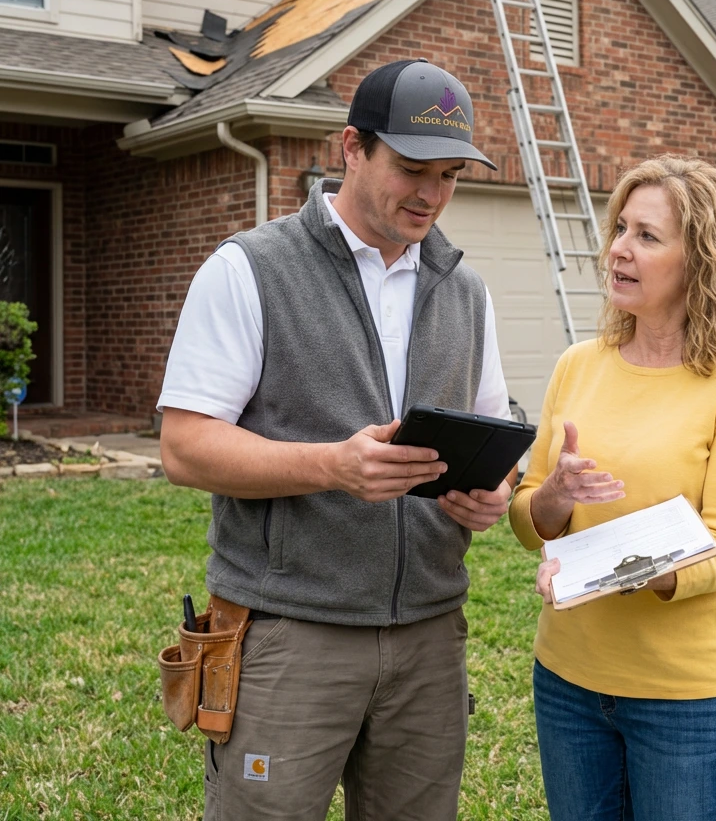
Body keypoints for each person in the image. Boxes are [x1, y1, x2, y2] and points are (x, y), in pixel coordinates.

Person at [159, 58, 516, 821]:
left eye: (450, 174)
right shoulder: (249, 270)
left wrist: (493, 496)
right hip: (290, 633)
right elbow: (185, 447)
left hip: (429, 633)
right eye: (412, 168)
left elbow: (494, 439)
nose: (432, 195)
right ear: (352, 147)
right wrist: (333, 465)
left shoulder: (467, 291)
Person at [509, 155, 716, 821]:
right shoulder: (579, 364)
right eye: (620, 228)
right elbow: (529, 519)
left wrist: (616, 567)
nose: (617, 251)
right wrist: (556, 499)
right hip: (568, 683)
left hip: (687, 700)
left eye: (647, 236)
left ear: (706, 260)